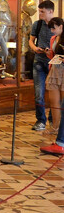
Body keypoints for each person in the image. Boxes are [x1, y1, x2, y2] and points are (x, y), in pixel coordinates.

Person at [28, 0, 56, 131]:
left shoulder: (59, 24)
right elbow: (31, 40)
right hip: (39, 61)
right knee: (39, 93)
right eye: (39, 11)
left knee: (53, 93)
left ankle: (53, 118)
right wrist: (34, 48)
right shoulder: (37, 24)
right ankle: (40, 120)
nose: (40, 14)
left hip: (54, 63)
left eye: (42, 11)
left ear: (51, 11)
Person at [40, 17, 64, 155]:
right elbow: (53, 56)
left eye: (54, 28)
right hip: (55, 69)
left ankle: (61, 133)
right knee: (54, 101)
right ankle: (55, 126)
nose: (52, 31)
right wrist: (49, 53)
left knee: (62, 102)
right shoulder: (54, 38)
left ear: (61, 26)